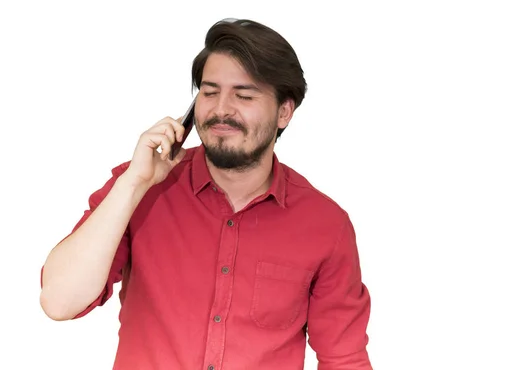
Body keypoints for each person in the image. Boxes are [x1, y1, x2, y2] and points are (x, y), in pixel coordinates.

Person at [39, 18, 373, 370]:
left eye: (243, 95)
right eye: (210, 92)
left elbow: (344, 359)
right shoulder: (140, 189)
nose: (221, 110)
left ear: (284, 112)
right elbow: (59, 302)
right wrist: (133, 184)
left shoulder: (325, 225)